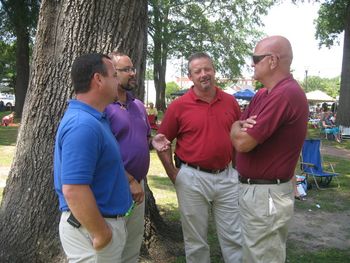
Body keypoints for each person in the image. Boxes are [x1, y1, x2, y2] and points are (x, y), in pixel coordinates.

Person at [153, 52, 242, 263]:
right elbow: (162, 142)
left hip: (226, 176)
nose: (204, 74)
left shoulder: (230, 102)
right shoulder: (179, 106)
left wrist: (236, 170)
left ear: (214, 71)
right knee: (196, 241)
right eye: (198, 71)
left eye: (207, 69)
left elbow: (238, 138)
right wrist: (174, 174)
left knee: (235, 237)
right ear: (190, 76)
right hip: (192, 178)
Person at [230, 36, 308, 263]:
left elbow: (242, 142)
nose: (252, 64)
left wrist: (237, 131)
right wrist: (237, 127)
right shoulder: (264, 94)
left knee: (262, 257)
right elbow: (237, 127)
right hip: (257, 192)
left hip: (266, 195)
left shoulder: (285, 94)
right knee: (255, 254)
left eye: (255, 59)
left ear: (272, 60)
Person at [54, 53, 133, 262]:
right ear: (98, 80)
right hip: (92, 232)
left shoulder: (96, 118)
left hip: (98, 227)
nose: (118, 81)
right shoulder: (83, 125)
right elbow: (74, 189)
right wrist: (101, 233)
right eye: (114, 75)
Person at [104, 51, 150, 263]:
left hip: (137, 189)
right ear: (112, 73)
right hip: (115, 187)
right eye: (126, 70)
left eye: (133, 68)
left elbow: (143, 138)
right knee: (112, 249)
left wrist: (154, 142)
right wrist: (129, 180)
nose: (133, 73)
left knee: (132, 246)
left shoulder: (138, 105)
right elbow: (102, 154)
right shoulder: (103, 108)